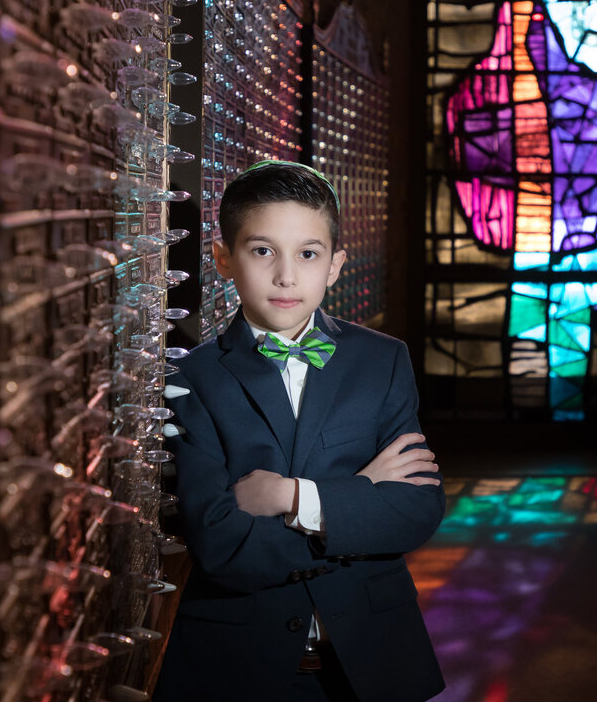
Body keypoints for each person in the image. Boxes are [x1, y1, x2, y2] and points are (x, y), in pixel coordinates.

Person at [154, 160, 446, 702]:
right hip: (237, 668)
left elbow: (417, 511)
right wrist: (359, 505)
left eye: (308, 254)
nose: (287, 276)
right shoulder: (191, 379)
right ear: (224, 259)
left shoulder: (382, 361)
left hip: (370, 663)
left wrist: (293, 497)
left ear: (334, 265)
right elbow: (220, 546)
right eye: (263, 250)